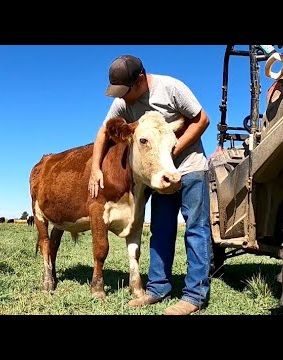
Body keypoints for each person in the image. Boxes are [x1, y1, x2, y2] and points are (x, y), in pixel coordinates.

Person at [88, 54, 211, 315]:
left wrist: (171, 152)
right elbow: (103, 131)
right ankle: (158, 288)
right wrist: (96, 168)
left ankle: (194, 295)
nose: (121, 98)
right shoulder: (123, 102)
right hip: (158, 176)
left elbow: (202, 119)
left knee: (195, 230)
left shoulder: (171, 88)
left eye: (125, 91)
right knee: (161, 229)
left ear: (141, 79)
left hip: (190, 168)